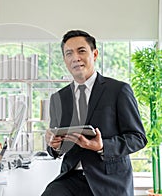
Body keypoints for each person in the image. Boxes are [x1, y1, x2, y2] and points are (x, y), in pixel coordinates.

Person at [42, 30, 147, 196]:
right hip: (70, 179)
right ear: (65, 60)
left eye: (81, 51)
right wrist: (54, 146)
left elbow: (138, 138)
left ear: (95, 54)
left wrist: (102, 146)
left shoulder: (118, 90)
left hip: (109, 180)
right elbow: (57, 146)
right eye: (69, 53)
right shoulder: (58, 98)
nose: (75, 57)